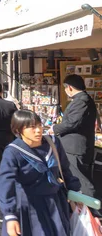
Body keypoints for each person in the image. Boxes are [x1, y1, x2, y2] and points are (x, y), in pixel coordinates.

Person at [0, 110, 80, 236]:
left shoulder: (53, 143)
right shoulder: (13, 152)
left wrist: (76, 192)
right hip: (29, 207)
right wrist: (10, 215)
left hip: (55, 203)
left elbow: (65, 170)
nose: (38, 130)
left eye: (39, 125)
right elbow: (6, 184)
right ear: (18, 130)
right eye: (32, 127)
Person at [51, 74, 98, 211]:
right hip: (74, 146)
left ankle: (94, 212)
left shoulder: (81, 101)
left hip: (75, 147)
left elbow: (71, 123)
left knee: (81, 181)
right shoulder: (83, 100)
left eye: (65, 88)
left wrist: (53, 129)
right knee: (75, 178)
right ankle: (82, 209)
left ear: (69, 88)